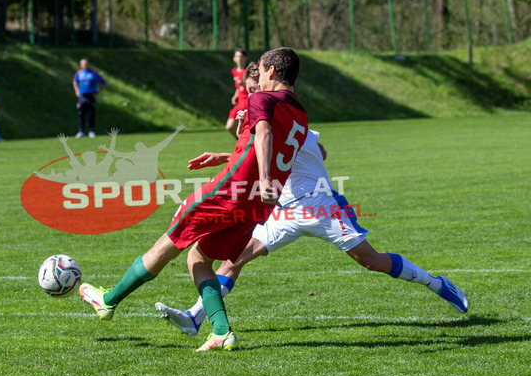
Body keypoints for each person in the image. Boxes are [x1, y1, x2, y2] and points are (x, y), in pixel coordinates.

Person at [155, 66, 469, 337]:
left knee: (372, 261)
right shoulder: (267, 117)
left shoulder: (284, 117)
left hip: (319, 206)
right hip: (283, 211)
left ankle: (436, 284)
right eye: (249, 91)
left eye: (255, 88)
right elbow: (267, 152)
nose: (251, 96)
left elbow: (316, 152)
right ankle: (196, 317)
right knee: (233, 260)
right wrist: (233, 150)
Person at [79, 47, 309, 351]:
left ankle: (108, 301)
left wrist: (264, 176)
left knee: (168, 242)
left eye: (263, 70)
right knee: (198, 258)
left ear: (272, 71)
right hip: (257, 203)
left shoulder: (262, 99)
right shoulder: (300, 115)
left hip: (229, 192)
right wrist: (230, 157)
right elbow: (269, 147)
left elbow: (264, 135)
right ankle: (222, 332)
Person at [72, 58, 106, 139]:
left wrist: (97, 92)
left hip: (91, 96)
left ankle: (91, 131)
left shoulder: (94, 73)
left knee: (91, 114)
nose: (84, 65)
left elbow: (103, 82)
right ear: (81, 65)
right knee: (81, 114)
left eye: (86, 64)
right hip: (82, 96)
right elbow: (74, 82)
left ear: (88, 64)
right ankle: (81, 131)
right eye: (83, 64)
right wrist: (77, 91)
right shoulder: (79, 73)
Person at [225, 49, 248, 137]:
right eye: (237, 56)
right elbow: (238, 88)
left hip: (247, 101)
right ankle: (242, 141)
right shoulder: (234, 71)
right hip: (239, 102)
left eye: (241, 56)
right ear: (234, 58)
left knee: (245, 127)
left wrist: (242, 84)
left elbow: (254, 88)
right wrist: (235, 96)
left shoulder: (248, 71)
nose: (239, 59)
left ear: (245, 58)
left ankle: (245, 142)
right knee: (229, 126)